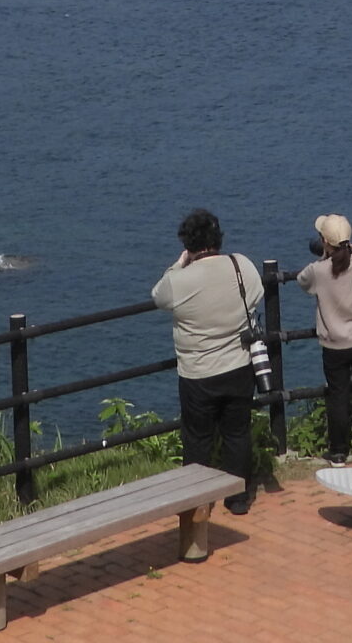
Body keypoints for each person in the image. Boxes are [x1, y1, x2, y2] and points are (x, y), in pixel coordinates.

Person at [150, 208, 263, 513]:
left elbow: (158, 296)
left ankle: (198, 502)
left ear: (187, 243)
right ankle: (238, 497)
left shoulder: (180, 281)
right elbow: (258, 294)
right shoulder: (242, 266)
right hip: (239, 365)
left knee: (198, 439)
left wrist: (179, 263)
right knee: (237, 433)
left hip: (197, 373)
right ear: (218, 238)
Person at [296, 214, 352, 464]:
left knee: (338, 397)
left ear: (324, 241)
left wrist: (323, 258)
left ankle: (339, 451)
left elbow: (302, 281)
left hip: (334, 345)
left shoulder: (318, 271)